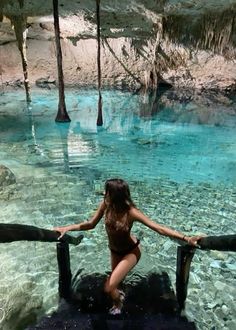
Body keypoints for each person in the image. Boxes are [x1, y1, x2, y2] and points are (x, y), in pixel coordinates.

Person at [54, 178, 202, 315]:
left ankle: (119, 305)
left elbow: (158, 228)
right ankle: (120, 296)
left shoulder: (131, 212)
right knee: (118, 284)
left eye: (108, 192)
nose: (104, 194)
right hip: (114, 251)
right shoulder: (106, 204)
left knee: (109, 287)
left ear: (116, 195)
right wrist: (67, 228)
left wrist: (185, 238)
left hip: (130, 252)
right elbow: (91, 224)